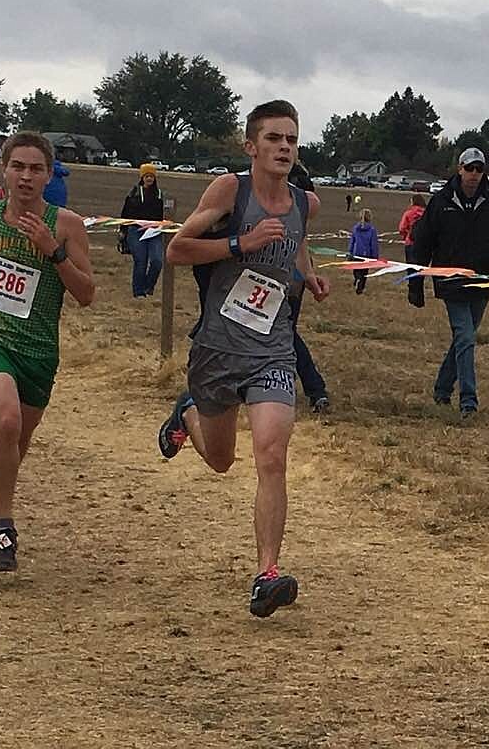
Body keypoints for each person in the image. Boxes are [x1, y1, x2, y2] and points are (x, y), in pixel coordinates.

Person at [158, 100, 330, 618]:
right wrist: (241, 241)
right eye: (274, 139)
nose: (284, 148)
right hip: (217, 348)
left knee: (272, 455)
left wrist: (308, 274)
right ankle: (187, 413)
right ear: (251, 146)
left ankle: (267, 574)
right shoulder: (229, 191)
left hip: (273, 349)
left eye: (292, 140)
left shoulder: (307, 203)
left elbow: (295, 245)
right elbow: (176, 249)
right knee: (220, 459)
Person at [0, 131, 95, 572]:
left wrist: (53, 252)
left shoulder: (67, 225)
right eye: (18, 167)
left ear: (49, 176)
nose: (26, 176)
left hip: (40, 349)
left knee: (16, 441)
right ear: (3, 171)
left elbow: (87, 294)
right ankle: (4, 530)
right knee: (6, 420)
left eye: (36, 169)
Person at [410, 148, 489, 417]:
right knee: (466, 337)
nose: (474, 174)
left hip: (482, 283)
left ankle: (442, 389)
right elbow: (422, 242)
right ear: (460, 169)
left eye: (479, 169)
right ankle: (469, 401)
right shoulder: (441, 201)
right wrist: (416, 284)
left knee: (462, 340)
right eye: (470, 168)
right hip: (450, 282)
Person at [287, 162, 329, 412]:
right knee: (281, 332)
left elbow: (300, 231)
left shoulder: (298, 181)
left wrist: (308, 275)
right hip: (268, 268)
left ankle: (315, 389)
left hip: (290, 271)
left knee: (284, 331)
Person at [120, 163, 164, 298]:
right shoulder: (134, 193)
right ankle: (138, 292)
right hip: (135, 230)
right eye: (147, 176)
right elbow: (125, 212)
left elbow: (164, 214)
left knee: (157, 261)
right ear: (142, 177)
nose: (149, 179)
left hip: (154, 231)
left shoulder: (160, 194)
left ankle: (148, 287)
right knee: (141, 261)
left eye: (151, 176)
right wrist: (123, 230)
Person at [348, 208, 379, 294]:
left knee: (356, 269)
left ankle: (357, 279)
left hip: (356, 253)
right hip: (366, 255)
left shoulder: (355, 228)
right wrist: (375, 256)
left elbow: (352, 241)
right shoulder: (372, 230)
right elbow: (373, 244)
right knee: (364, 272)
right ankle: (360, 286)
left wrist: (350, 252)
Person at [398, 193, 426, 263]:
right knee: (421, 268)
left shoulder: (408, 213)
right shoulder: (427, 214)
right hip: (424, 244)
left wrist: (406, 235)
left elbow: (402, 228)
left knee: (411, 267)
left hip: (411, 242)